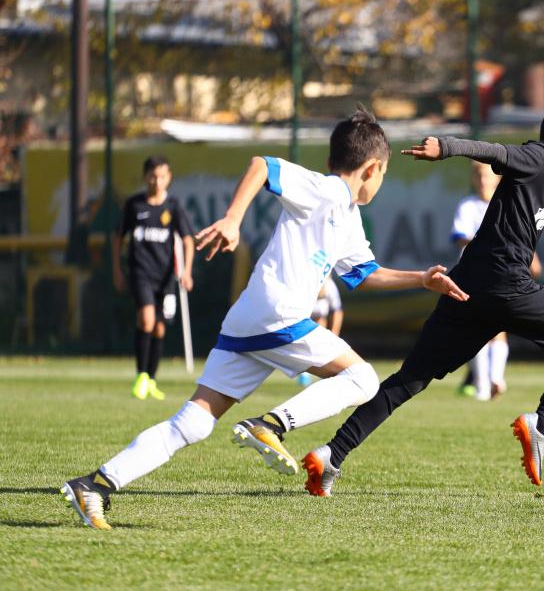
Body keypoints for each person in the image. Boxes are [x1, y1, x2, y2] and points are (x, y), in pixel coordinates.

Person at [59, 108, 468, 530]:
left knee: (195, 422)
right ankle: (269, 424)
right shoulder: (326, 190)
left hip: (250, 320)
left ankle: (96, 484)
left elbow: (363, 273)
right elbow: (263, 165)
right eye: (382, 176)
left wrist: (420, 278)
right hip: (278, 313)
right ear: (372, 168)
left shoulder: (347, 217)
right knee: (362, 380)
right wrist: (233, 220)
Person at [287, 97, 544, 496]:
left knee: (409, 379)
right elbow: (495, 151)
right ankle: (542, 424)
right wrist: (445, 146)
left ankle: (330, 455)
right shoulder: (537, 158)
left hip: (469, 289)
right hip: (502, 284)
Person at [451, 162, 542, 400]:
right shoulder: (468, 206)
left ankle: (494, 380)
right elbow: (460, 238)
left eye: (487, 176)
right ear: (473, 178)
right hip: (472, 274)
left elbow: (521, 237)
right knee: (478, 329)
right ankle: (485, 383)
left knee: (497, 329)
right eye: (479, 175)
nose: (483, 180)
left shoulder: (508, 205)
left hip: (500, 274)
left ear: (497, 180)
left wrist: (531, 257)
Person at [113, 156, 194, 401]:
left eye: (161, 176)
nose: (156, 181)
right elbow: (118, 239)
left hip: (166, 278)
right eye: (152, 176)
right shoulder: (134, 205)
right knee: (146, 320)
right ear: (145, 176)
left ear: (168, 177)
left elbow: (188, 240)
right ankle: (140, 376)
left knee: (159, 328)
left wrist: (187, 271)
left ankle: (151, 379)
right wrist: (117, 270)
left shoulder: (173, 206)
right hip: (141, 273)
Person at [300, 276, 345, 386]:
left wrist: (334, 335)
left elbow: (337, 311)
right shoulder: (303, 282)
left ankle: (326, 371)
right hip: (303, 319)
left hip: (319, 319)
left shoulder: (329, 285)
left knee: (322, 346)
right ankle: (305, 371)